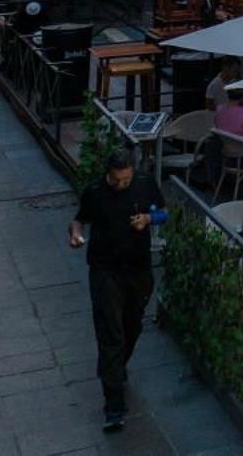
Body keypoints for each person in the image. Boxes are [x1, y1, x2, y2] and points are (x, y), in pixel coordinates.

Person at [68, 149, 163, 432]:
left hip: (138, 268)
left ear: (132, 172)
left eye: (125, 179)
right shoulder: (95, 192)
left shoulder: (145, 183)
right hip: (104, 269)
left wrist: (148, 219)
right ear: (108, 174)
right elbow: (79, 219)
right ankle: (113, 405)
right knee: (111, 333)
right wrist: (74, 234)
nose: (121, 184)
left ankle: (116, 367)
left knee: (132, 324)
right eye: (116, 180)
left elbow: (164, 213)